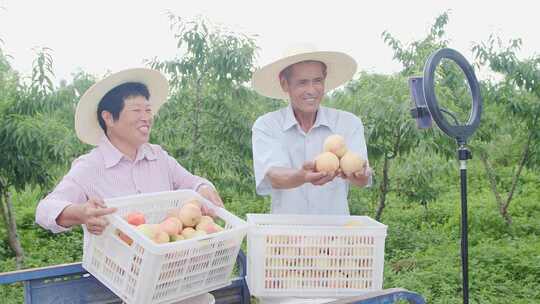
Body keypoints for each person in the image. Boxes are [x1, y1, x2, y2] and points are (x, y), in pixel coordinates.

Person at [35, 68, 221, 304]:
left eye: (148, 110)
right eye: (136, 110)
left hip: (182, 283)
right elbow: (45, 209)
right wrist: (81, 213)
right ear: (109, 118)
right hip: (130, 289)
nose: (146, 117)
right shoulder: (91, 167)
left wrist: (205, 189)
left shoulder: (159, 157)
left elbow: (194, 183)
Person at [251, 46, 373, 304]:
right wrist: (303, 175)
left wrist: (358, 174)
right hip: (286, 249)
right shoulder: (267, 126)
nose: (312, 90)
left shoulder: (347, 123)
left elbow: (362, 175)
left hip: (337, 247)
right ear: (285, 84)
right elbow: (274, 175)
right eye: (302, 82)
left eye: (317, 80)